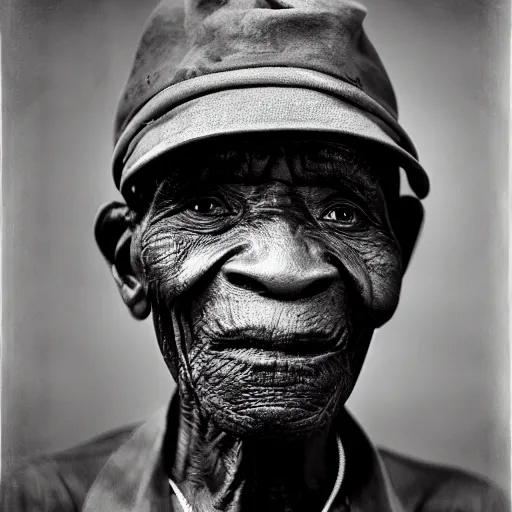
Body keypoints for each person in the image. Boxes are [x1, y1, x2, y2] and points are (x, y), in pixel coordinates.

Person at [1, 0, 507, 510]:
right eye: (206, 205)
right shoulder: (30, 502)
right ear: (129, 261)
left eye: (343, 214)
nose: (283, 267)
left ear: (398, 249)